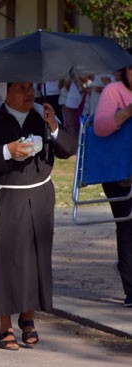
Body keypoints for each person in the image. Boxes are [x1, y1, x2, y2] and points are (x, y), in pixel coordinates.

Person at [0, 82, 76, 350]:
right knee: (4, 263)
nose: (29, 93)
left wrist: (53, 127)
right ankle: (4, 325)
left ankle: (29, 318)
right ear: (7, 92)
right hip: (1, 198)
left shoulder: (44, 116)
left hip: (37, 198)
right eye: (21, 88)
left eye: (31, 87)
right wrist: (7, 151)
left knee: (33, 261)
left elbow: (68, 148)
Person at [92, 53, 132, 308]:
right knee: (128, 227)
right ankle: (131, 288)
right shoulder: (114, 91)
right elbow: (101, 127)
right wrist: (127, 112)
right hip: (120, 174)